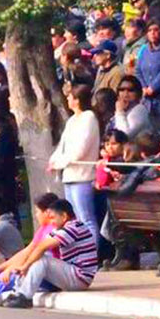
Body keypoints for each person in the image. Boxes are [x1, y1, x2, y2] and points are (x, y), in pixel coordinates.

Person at [0, 195, 98, 309]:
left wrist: (25, 266)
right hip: (72, 274)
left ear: (64, 216)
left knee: (42, 259)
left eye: (53, 218)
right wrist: (22, 266)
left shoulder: (74, 227)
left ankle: (25, 296)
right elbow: (36, 247)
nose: (51, 222)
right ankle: (17, 292)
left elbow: (42, 246)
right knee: (36, 259)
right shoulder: (60, 229)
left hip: (80, 278)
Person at [47, 84, 103, 230]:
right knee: (75, 220)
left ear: (77, 100)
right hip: (70, 176)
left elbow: (80, 150)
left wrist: (59, 163)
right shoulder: (72, 120)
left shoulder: (89, 118)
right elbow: (62, 146)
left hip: (83, 177)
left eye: (70, 97)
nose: (67, 99)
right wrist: (53, 160)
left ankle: (93, 251)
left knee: (86, 219)